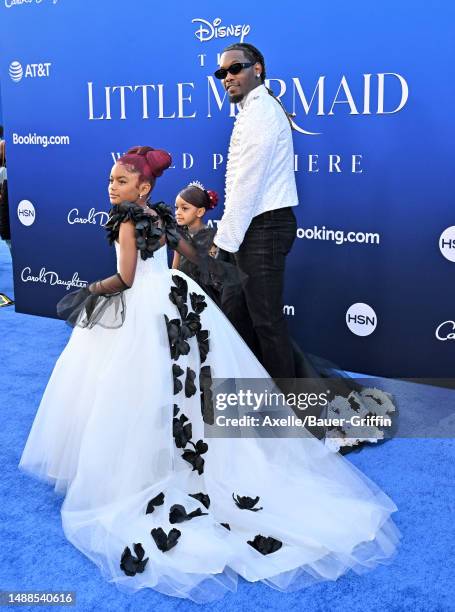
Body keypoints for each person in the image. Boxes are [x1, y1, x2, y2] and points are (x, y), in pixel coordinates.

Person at [19, 146, 400, 603]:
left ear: (142, 187)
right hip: (174, 300)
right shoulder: (160, 217)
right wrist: (195, 278)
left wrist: (88, 291)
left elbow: (124, 278)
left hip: (143, 306)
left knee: (135, 384)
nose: (111, 187)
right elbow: (190, 254)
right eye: (110, 180)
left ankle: (137, 464)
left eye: (120, 181)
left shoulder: (126, 222)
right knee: (178, 381)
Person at [211, 43, 299, 380]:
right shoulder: (251, 109)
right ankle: (253, 392)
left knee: (266, 321)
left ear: (257, 68)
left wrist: (224, 242)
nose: (227, 77)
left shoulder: (262, 112)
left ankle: (290, 409)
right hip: (250, 228)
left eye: (236, 68)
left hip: (264, 228)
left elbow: (247, 184)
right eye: (222, 73)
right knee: (239, 316)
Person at [172, 180, 221, 305]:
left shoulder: (213, 237)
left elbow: (212, 271)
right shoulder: (179, 235)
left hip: (204, 297)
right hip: (182, 294)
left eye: (184, 208)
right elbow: (175, 268)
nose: (178, 212)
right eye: (176, 208)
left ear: (200, 212)